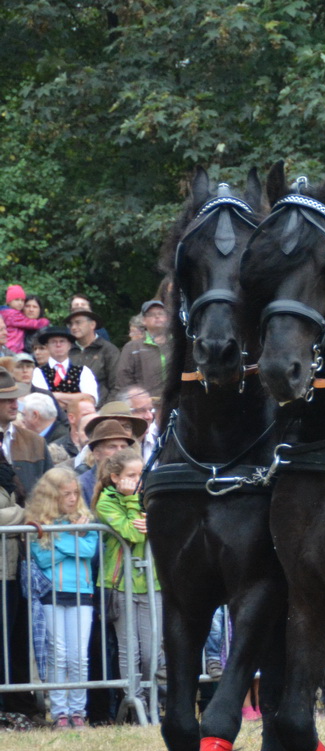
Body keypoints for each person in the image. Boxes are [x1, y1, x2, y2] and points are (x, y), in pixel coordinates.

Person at [27, 467, 99, 727]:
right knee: (57, 653)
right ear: (51, 496)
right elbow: (43, 558)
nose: (72, 498)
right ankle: (59, 712)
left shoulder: (85, 519)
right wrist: (71, 537)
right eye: (65, 494)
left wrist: (57, 538)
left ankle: (78, 710)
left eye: (75, 493)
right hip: (51, 594)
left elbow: (89, 551)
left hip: (81, 592)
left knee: (78, 655)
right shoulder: (39, 521)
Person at [93, 446, 155, 720]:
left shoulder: (151, 497)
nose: (138, 480)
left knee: (153, 650)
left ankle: (153, 701)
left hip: (153, 583)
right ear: (116, 477)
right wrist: (131, 500)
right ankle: (136, 703)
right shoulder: (106, 500)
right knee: (129, 649)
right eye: (131, 474)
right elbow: (133, 533)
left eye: (141, 474)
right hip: (120, 584)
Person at [114, 299, 170, 405]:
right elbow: (124, 380)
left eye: (161, 313)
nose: (157, 317)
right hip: (145, 406)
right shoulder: (132, 347)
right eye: (151, 314)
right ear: (144, 321)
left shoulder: (178, 345)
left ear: (167, 318)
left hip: (176, 404)